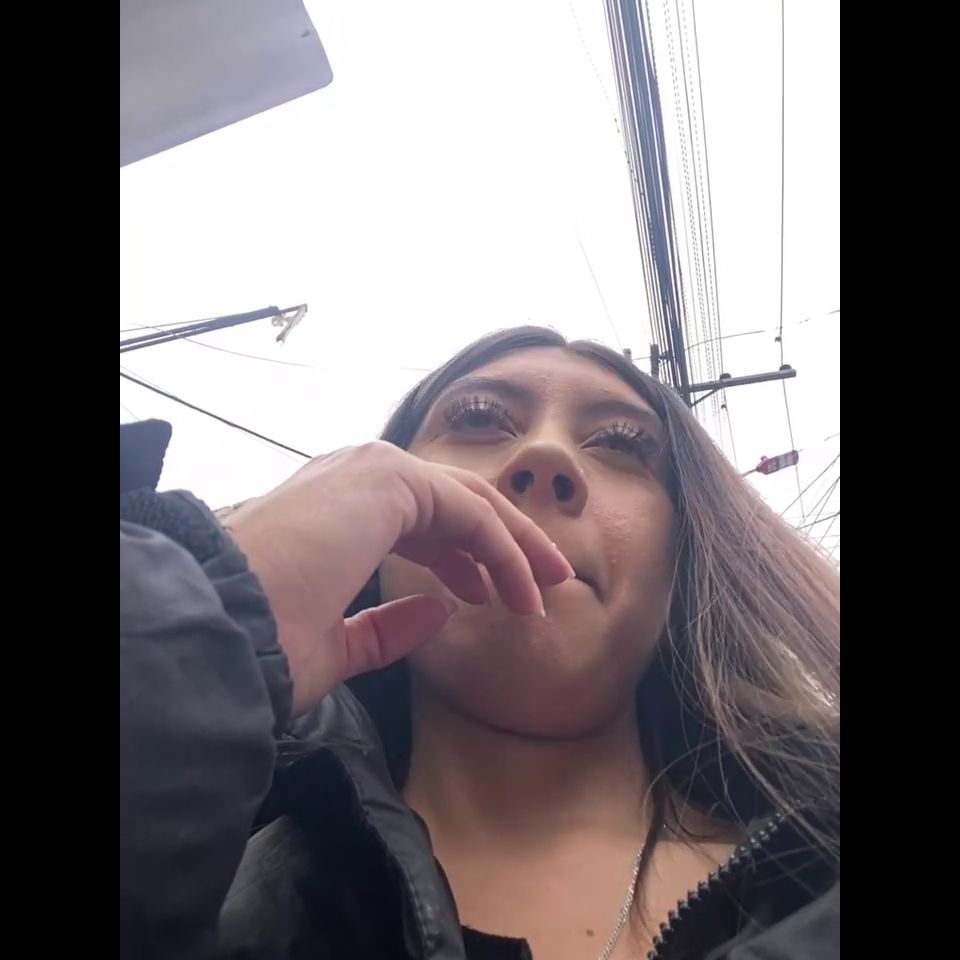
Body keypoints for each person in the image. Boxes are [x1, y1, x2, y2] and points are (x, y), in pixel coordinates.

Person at [120, 327, 840, 960]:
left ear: (684, 560)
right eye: (477, 418)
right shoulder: (193, 861)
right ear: (379, 531)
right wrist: (222, 612)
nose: (545, 454)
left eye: (621, 442)